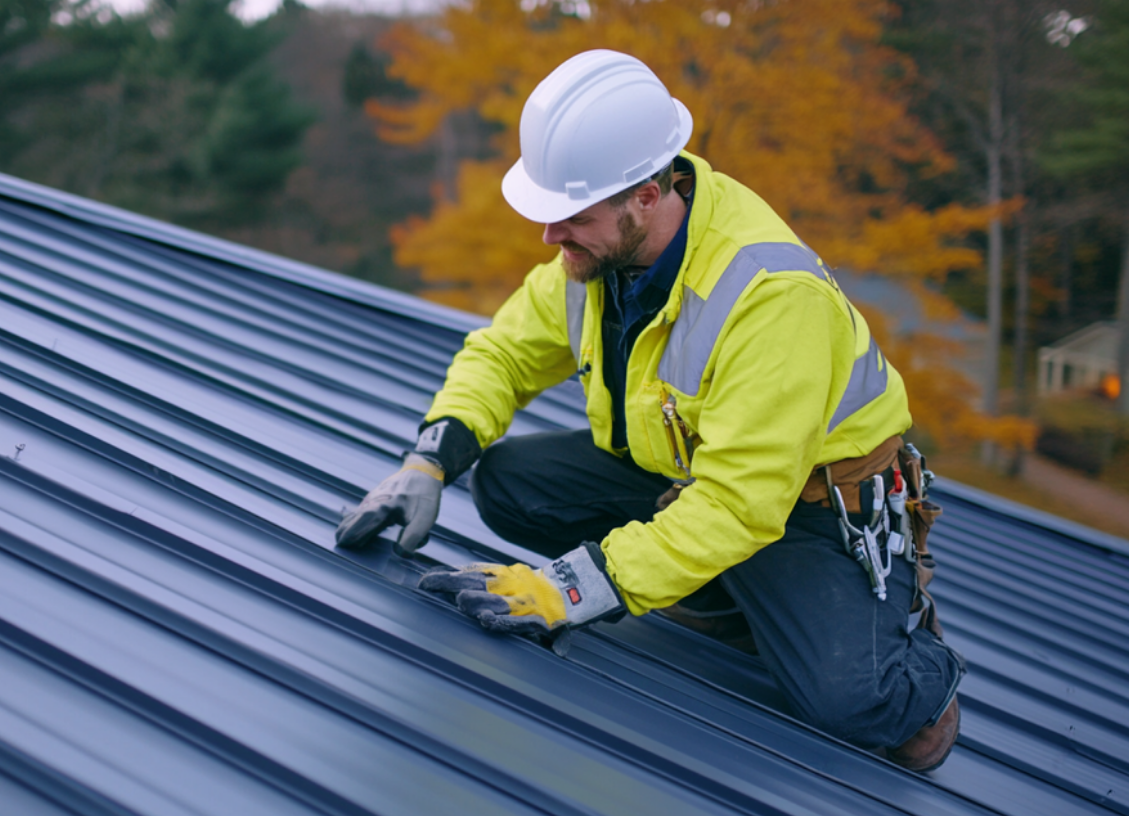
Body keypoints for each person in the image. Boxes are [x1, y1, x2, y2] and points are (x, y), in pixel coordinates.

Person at [335, 49, 964, 772]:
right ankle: (729, 591)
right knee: (505, 483)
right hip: (682, 471)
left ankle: (908, 669)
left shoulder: (769, 297)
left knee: (859, 704)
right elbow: (502, 354)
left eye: (570, 215)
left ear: (646, 194)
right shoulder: (595, 257)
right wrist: (429, 459)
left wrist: (569, 588)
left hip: (803, 505)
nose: (549, 236)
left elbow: (739, 504)